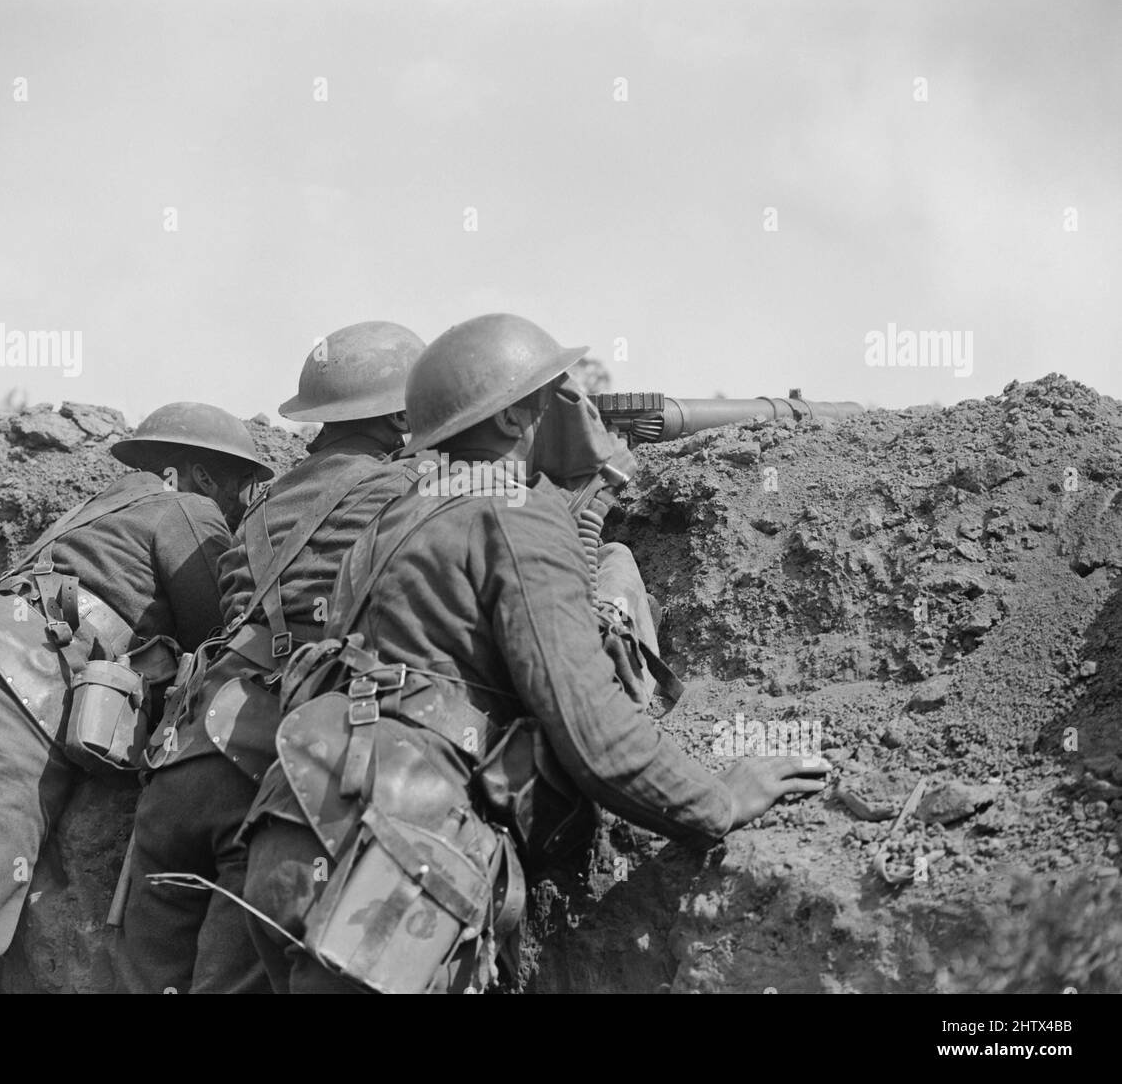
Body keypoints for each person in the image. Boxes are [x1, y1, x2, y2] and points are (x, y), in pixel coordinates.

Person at [240, 313, 830, 993]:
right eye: (558, 391)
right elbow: (591, 725)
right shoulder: (513, 510)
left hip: (297, 821)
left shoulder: (399, 513)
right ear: (513, 414)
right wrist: (715, 800)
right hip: (397, 847)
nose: (572, 405)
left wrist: (580, 494)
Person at [0, 403, 267, 994]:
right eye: (240, 487)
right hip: (3, 702)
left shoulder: (86, 516)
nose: (240, 502)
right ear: (202, 476)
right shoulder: (189, 509)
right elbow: (216, 636)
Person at [115, 322, 425, 993]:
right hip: (264, 764)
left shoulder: (257, 511)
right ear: (403, 413)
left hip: (181, 761)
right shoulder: (405, 491)